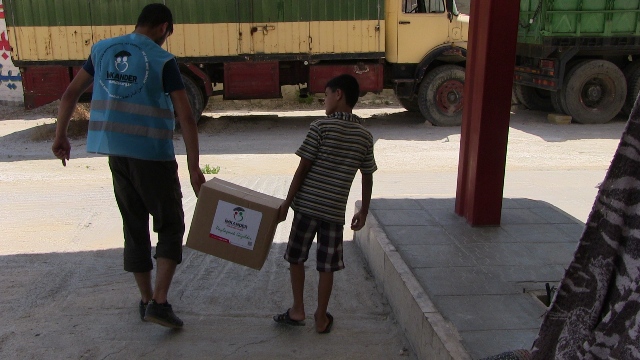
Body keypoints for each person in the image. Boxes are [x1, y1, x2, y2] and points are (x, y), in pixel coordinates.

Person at [51, 3, 205, 329]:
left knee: (134, 225)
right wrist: (194, 167)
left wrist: (61, 136)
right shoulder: (162, 60)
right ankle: (160, 304)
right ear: (163, 27)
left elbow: (69, 94)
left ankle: (146, 300)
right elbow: (187, 116)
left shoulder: (102, 50)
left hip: (116, 155)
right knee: (170, 225)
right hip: (154, 155)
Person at [273, 74, 377, 334]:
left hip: (306, 207)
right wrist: (363, 210)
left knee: (296, 258)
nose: (325, 100)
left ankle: (298, 310)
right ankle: (321, 317)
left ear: (338, 94)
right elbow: (367, 176)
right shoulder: (365, 136)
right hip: (333, 213)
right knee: (326, 266)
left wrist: (287, 202)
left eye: (327, 95)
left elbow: (303, 168)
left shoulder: (320, 127)